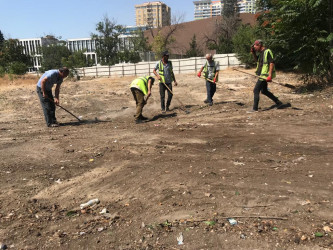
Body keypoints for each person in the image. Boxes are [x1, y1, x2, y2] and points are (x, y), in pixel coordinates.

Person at [248, 40, 283, 113]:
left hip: (265, 75)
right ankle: (278, 102)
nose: (254, 47)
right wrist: (253, 53)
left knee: (256, 90)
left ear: (259, 45)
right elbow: (257, 61)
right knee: (264, 91)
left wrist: (269, 75)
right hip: (262, 74)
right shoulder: (261, 53)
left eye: (255, 46)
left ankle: (255, 109)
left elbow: (271, 63)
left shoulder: (267, 51)